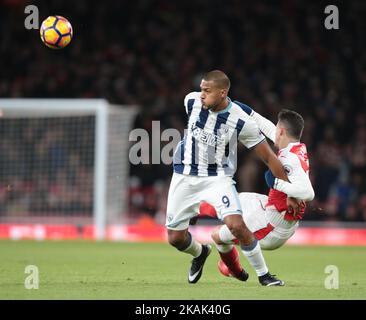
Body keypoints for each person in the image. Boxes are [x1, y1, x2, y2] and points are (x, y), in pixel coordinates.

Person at [166, 70, 290, 286]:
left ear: (222, 93)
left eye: (207, 90)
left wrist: (291, 192)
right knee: (175, 239)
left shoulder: (242, 122)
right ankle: (200, 253)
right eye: (201, 89)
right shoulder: (191, 101)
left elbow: (270, 158)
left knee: (237, 226)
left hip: (217, 178)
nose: (201, 95)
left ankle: (264, 275)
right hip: (184, 176)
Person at [197, 109, 315, 282]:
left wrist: (277, 184)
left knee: (216, 236)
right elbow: (264, 124)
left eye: (277, 128)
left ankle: (235, 269)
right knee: (231, 200)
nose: (273, 130)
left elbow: (308, 193)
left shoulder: (290, 159)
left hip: (272, 227)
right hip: (270, 208)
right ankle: (195, 210)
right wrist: (233, 106)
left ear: (281, 131)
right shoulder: (296, 148)